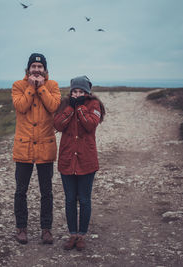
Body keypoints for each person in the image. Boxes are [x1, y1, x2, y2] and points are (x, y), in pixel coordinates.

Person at [11, 53, 61, 244]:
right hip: (23, 148)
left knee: (46, 192)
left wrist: (41, 89)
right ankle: (21, 228)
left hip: (45, 148)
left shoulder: (53, 86)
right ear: (28, 69)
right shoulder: (18, 85)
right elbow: (21, 107)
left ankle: (46, 229)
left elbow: (54, 106)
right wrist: (31, 88)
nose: (37, 70)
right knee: (20, 191)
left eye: (40, 67)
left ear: (45, 70)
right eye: (34, 66)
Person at [54, 75, 105, 251]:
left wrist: (81, 107)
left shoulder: (94, 105)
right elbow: (58, 125)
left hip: (86, 161)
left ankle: (82, 235)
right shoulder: (65, 105)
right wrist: (70, 109)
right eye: (74, 91)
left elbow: (90, 125)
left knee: (84, 200)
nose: (77, 94)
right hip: (67, 160)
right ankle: (72, 234)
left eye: (80, 91)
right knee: (69, 200)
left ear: (87, 92)